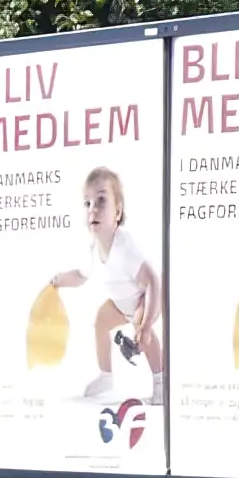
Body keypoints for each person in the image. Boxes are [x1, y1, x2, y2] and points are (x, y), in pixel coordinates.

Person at [50, 166, 162, 402]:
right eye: (87, 203)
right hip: (123, 304)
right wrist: (61, 280)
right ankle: (106, 375)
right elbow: (82, 275)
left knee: (144, 333)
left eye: (101, 201)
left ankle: (161, 382)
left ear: (118, 212)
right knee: (101, 320)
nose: (93, 209)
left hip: (145, 299)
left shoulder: (124, 248)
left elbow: (152, 281)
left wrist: (147, 320)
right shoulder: (95, 249)